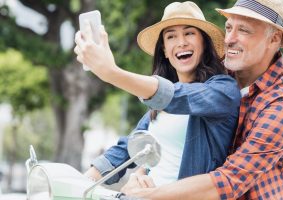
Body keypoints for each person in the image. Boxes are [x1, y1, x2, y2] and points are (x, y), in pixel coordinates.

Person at [123, 0, 283, 199]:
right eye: (228, 28)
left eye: (243, 30)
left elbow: (230, 180)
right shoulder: (215, 76)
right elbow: (159, 122)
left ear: (274, 39)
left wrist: (148, 195)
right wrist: (141, 172)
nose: (229, 39)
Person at [74, 1, 241, 187]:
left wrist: (112, 73)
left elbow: (176, 95)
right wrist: (79, 182)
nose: (181, 42)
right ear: (164, 51)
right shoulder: (158, 109)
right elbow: (126, 149)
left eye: (189, 33)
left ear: (204, 42)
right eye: (171, 37)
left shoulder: (223, 90)